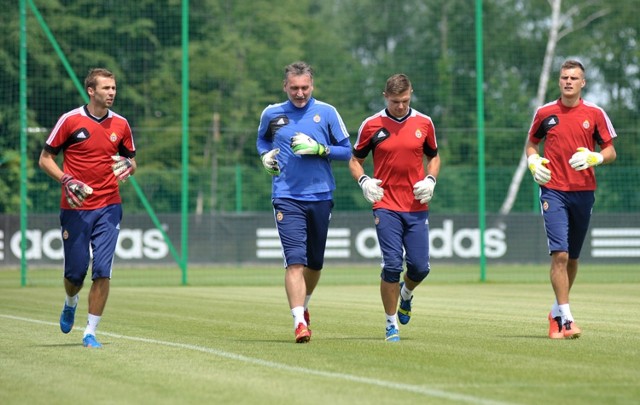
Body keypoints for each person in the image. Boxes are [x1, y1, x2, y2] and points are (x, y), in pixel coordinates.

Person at [39, 68, 137, 348]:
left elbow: (132, 161)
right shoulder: (70, 121)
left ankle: (90, 332)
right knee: (75, 274)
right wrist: (66, 179)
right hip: (76, 207)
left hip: (110, 205)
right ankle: (71, 301)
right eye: (106, 88)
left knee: (103, 270)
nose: (112, 93)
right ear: (91, 91)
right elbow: (45, 159)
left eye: (114, 88)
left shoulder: (121, 124)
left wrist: (128, 167)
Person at [256, 61, 352, 343]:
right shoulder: (272, 113)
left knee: (315, 263)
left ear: (312, 85)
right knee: (294, 261)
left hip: (321, 195)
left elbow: (348, 152)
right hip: (286, 197)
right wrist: (265, 156)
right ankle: (299, 321)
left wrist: (320, 149)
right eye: (294, 88)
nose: (300, 93)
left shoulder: (327, 112)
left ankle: (305, 305)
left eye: (305, 88)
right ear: (285, 86)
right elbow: (262, 141)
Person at [525, 59, 617, 339]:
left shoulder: (596, 113)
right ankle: (567, 319)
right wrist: (533, 162)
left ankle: (555, 312)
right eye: (564, 77)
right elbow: (531, 143)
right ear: (559, 81)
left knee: (573, 258)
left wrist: (596, 157)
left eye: (574, 78)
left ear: (583, 83)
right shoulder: (544, 112)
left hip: (584, 191)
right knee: (560, 254)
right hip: (553, 190)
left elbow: (611, 149)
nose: (568, 81)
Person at [349, 74, 440, 342]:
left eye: (405, 100)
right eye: (394, 101)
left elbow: (433, 157)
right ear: (384, 96)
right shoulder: (371, 125)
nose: (400, 106)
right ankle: (391, 324)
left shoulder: (424, 123)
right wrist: (363, 180)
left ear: (411, 93)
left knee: (420, 268)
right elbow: (355, 160)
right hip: (385, 204)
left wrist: (431, 179)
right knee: (391, 265)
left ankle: (406, 294)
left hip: (415, 204)